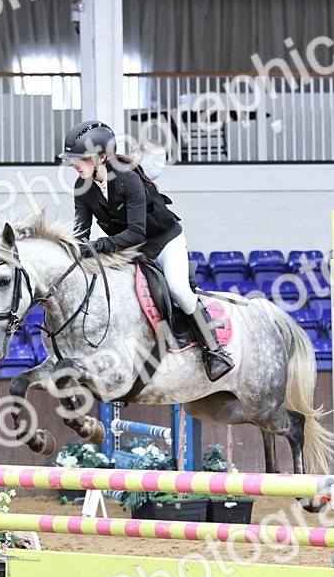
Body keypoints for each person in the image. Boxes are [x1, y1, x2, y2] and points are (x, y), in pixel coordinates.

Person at [59, 120, 234, 381]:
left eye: (80, 158)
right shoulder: (81, 187)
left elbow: (137, 232)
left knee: (178, 289)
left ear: (102, 157)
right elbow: (80, 233)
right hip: (130, 248)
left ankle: (215, 350)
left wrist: (98, 247)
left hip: (163, 241)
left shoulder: (127, 180)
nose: (74, 164)